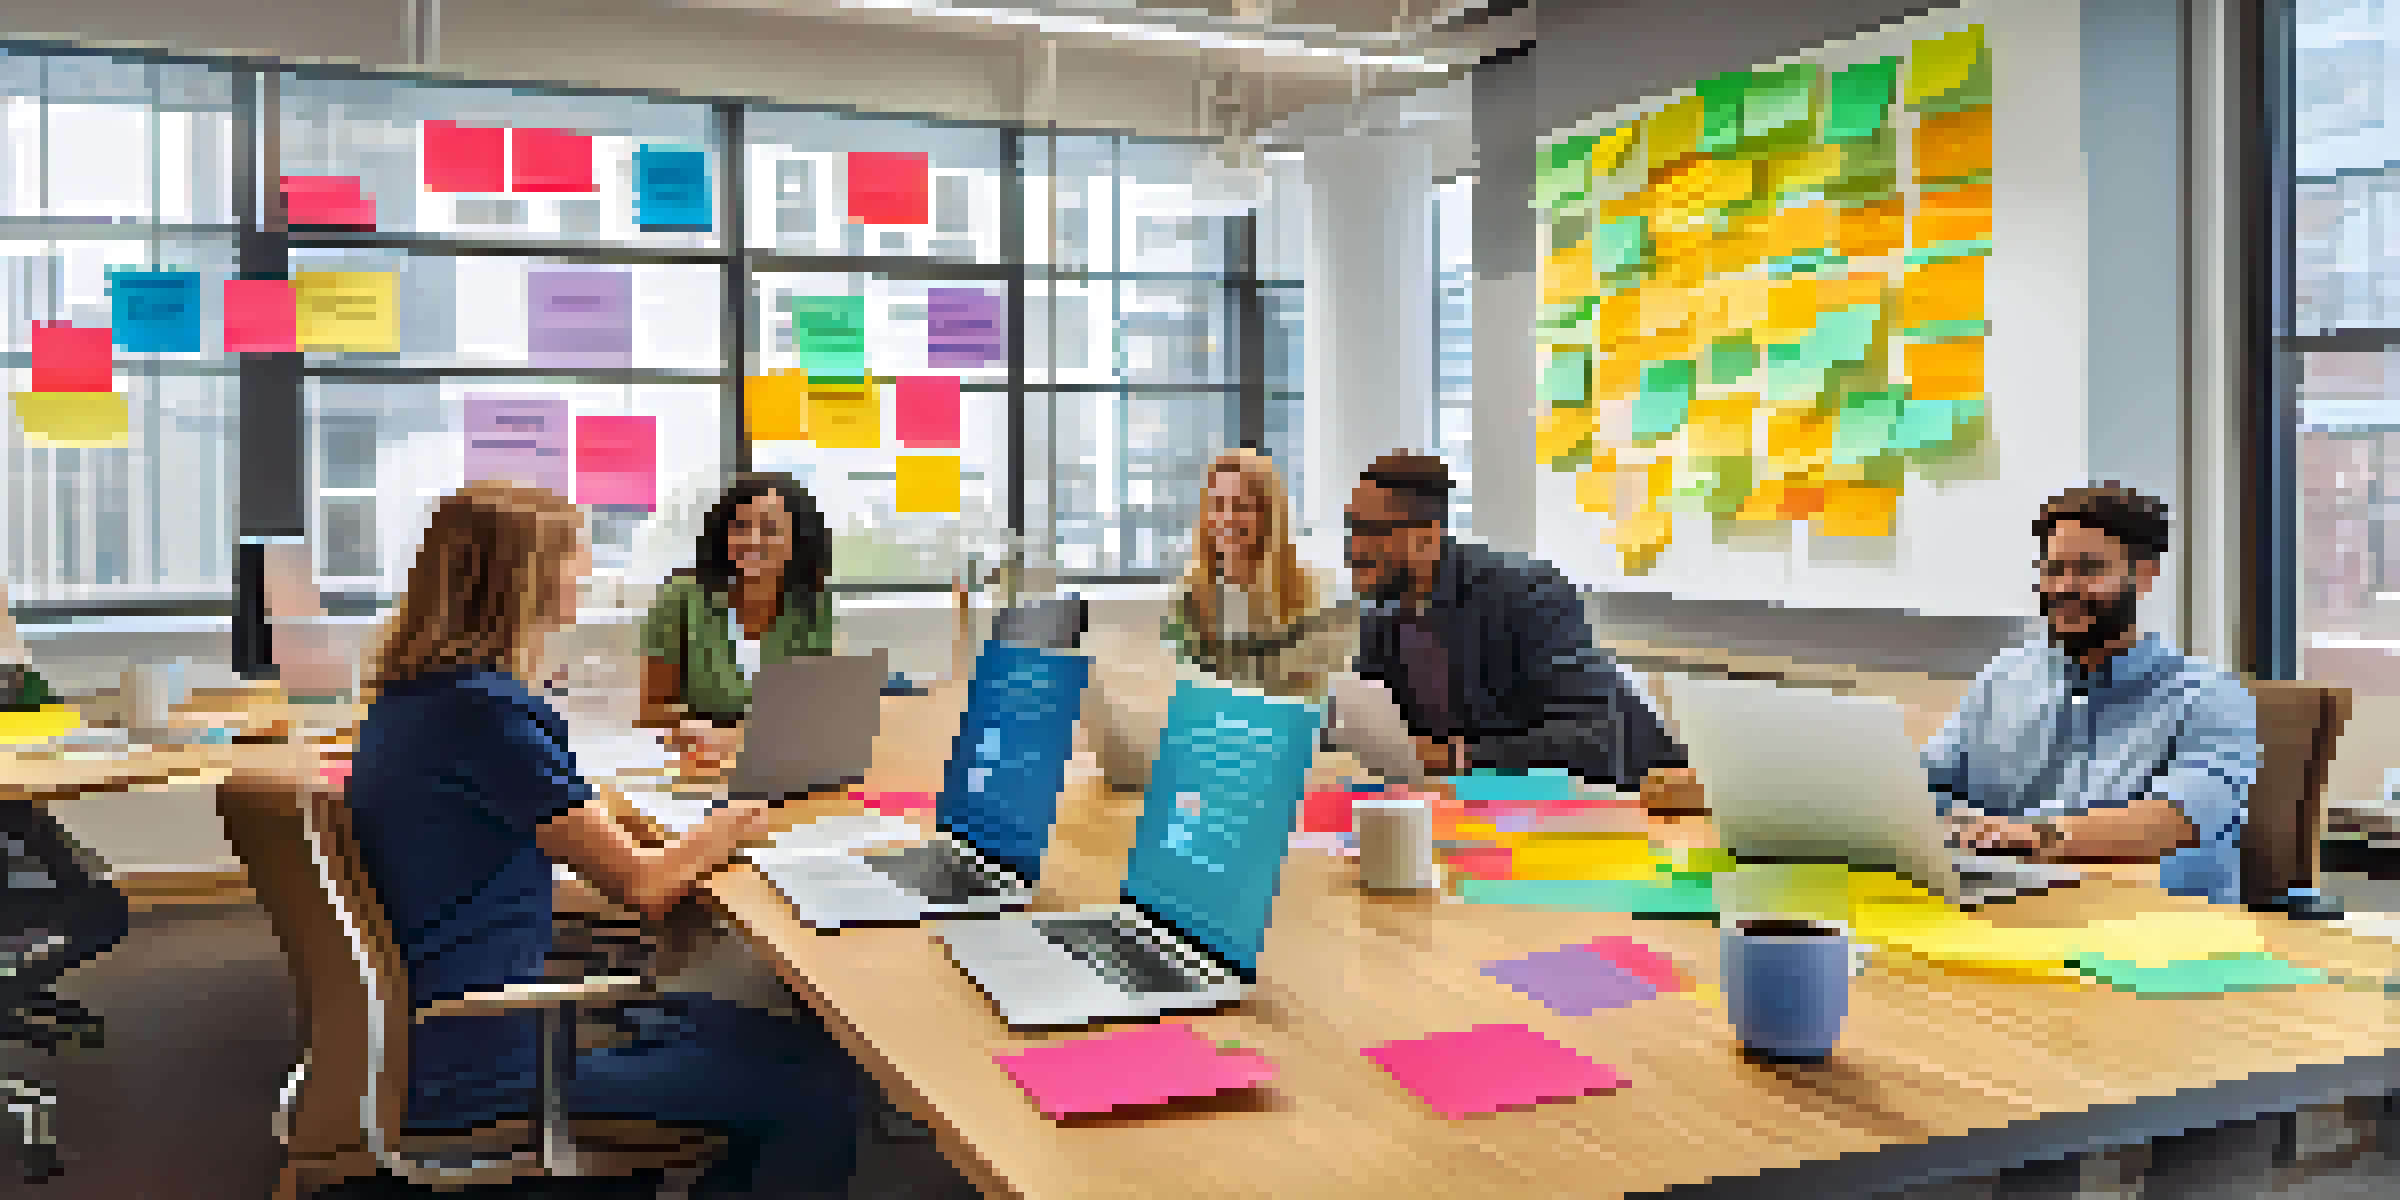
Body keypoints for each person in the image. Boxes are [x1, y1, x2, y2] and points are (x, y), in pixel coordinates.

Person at [344, 481, 861, 1199]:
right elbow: (644, 886)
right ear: (521, 576)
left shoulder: (417, 695)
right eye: (574, 553)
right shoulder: (487, 718)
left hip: (438, 1031)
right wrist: (731, 821)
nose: (586, 569)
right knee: (822, 1090)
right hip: (483, 1058)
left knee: (798, 1043)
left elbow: (485, 876)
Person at [1924, 484, 2261, 906]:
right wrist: (1948, 820)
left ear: (2145, 574)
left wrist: (2033, 836)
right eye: (2053, 569)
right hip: (2014, 913)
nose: (2065, 586)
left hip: (2153, 928)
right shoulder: (2004, 678)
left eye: (2088, 569)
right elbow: (1925, 785)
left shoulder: (2209, 697)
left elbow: (2176, 821)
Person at [1344, 452, 1698, 805]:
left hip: (1623, 806)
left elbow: (1596, 737)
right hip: (1480, 808)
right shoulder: (1382, 616)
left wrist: (1460, 757)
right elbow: (1391, 738)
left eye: (1368, 531)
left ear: (1425, 538)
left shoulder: (1526, 591)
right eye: (1349, 527)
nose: (1352, 550)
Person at [639, 473, 834, 772]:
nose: (752, 541)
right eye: (741, 527)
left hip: (783, 766)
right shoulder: (682, 596)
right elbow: (652, 710)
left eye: (769, 530)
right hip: (702, 766)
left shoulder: (812, 604)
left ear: (797, 541)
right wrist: (692, 728)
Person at [1163, 449, 1356, 701]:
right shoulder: (1189, 596)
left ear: (1268, 515)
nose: (1229, 518)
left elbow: (1315, 694)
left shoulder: (1311, 594)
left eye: (1242, 506)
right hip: (1211, 730)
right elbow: (1182, 685)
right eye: (1218, 505)